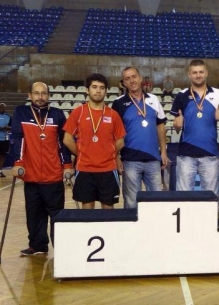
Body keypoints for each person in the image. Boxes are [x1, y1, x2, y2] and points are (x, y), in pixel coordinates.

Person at [12, 82, 73, 256]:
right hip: (31, 175)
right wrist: (18, 162)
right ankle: (38, 245)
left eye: (44, 93)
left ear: (49, 95)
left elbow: (63, 143)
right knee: (34, 214)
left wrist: (67, 165)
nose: (40, 97)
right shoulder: (21, 112)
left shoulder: (57, 114)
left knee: (56, 215)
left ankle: (60, 248)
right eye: (36, 93)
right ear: (29, 95)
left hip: (53, 175)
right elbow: (18, 139)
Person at [63, 73, 126, 210]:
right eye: (94, 87)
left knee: (108, 208)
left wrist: (108, 153)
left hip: (108, 169)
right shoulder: (78, 112)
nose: (98, 91)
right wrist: (82, 153)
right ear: (87, 90)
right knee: (87, 208)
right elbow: (67, 140)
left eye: (102, 88)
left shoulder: (113, 114)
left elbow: (120, 141)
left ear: (106, 91)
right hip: (85, 169)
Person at [112, 67, 168, 209]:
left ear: (140, 78)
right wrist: (116, 157)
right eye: (127, 78)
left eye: (134, 76)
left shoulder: (154, 100)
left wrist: (163, 152)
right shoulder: (118, 103)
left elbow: (160, 127)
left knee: (156, 202)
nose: (132, 80)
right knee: (131, 203)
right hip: (130, 160)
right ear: (124, 83)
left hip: (153, 159)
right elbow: (113, 133)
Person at [171, 59, 219, 195]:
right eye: (195, 72)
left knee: (211, 197)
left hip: (210, 154)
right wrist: (176, 125)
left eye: (201, 72)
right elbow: (177, 126)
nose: (198, 75)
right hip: (186, 154)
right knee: (183, 196)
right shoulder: (181, 95)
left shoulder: (217, 94)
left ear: (206, 73)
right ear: (189, 75)